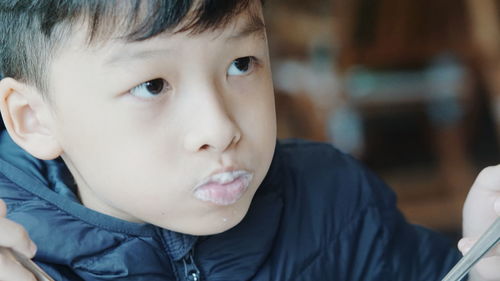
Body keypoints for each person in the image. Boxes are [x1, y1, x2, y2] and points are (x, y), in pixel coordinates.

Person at [0, 0, 498, 280]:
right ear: (33, 119)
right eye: (152, 85)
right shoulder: (18, 260)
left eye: (241, 64)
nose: (220, 128)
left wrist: (481, 269)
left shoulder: (336, 201)